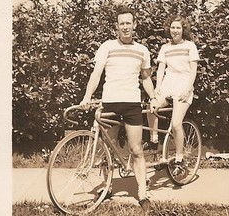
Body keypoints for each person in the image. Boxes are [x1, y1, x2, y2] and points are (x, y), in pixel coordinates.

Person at [79, 5, 155, 211]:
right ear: (116, 27)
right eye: (121, 23)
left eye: (128, 23)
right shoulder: (107, 47)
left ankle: (142, 193)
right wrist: (87, 96)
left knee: (136, 149)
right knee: (107, 149)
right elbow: (96, 75)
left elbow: (146, 78)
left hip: (132, 104)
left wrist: (154, 97)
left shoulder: (142, 50)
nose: (125, 27)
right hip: (110, 103)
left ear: (134, 25)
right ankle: (107, 187)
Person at [145, 15, 200, 175]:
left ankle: (179, 159)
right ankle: (154, 139)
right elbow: (161, 69)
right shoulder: (165, 48)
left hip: (183, 85)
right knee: (152, 106)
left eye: (178, 28)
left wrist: (188, 89)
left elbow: (193, 70)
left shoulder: (190, 46)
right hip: (168, 85)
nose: (175, 30)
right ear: (169, 29)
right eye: (173, 27)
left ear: (183, 30)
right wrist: (157, 89)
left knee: (176, 124)